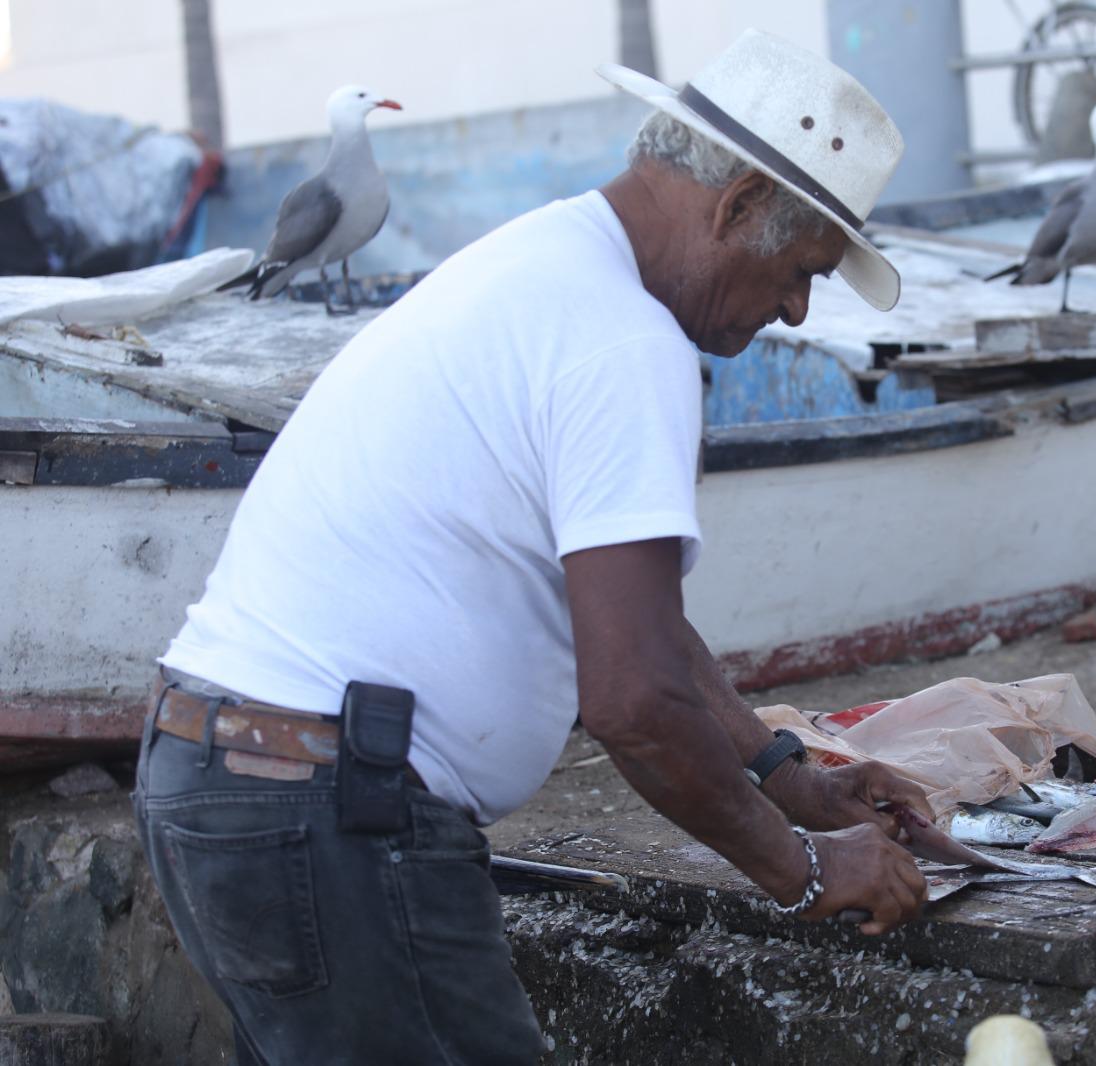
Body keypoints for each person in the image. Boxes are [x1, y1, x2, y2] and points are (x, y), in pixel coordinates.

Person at [132, 29, 931, 1065]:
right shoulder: (621, 341)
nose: (793, 308)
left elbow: (640, 628)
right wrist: (806, 873)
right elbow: (635, 702)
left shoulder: (545, 264)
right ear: (734, 209)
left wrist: (791, 778)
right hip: (323, 811)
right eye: (800, 269)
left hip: (235, 777)